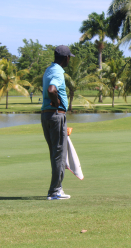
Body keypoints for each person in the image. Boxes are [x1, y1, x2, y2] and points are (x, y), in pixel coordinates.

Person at [41, 45, 74, 200]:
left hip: (46, 116)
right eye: (69, 58)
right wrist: (56, 102)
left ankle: (55, 189)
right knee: (59, 154)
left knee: (55, 153)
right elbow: (52, 89)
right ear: (66, 58)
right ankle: (55, 191)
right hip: (56, 115)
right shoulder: (58, 72)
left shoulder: (49, 69)